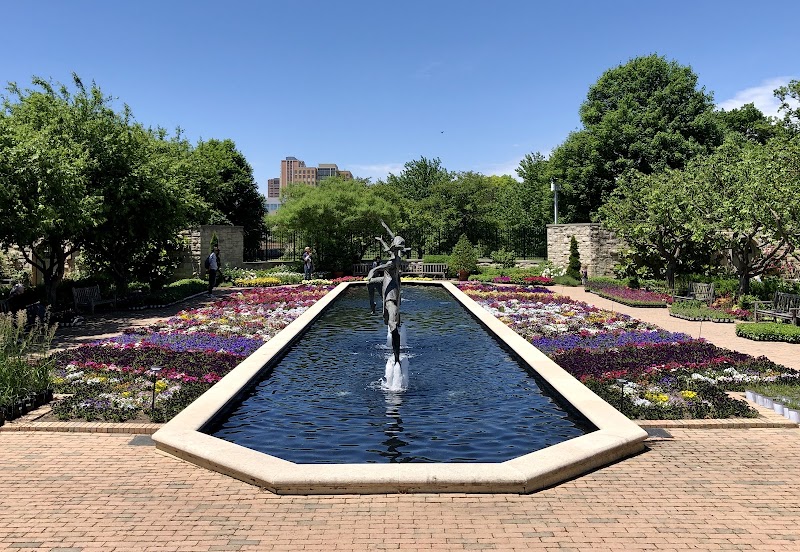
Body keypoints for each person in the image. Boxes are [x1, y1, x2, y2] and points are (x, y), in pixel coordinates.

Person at [367, 224, 410, 364]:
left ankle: (373, 306)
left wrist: (370, 273)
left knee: (370, 284)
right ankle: (374, 306)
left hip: (390, 290)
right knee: (392, 318)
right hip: (391, 285)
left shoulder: (392, 262)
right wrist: (383, 236)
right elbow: (391, 244)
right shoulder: (397, 257)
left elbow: (378, 268)